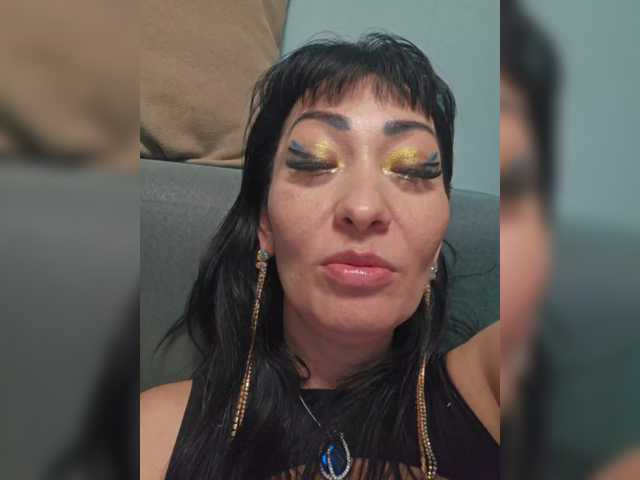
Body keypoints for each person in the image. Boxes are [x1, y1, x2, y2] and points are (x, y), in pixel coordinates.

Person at [141, 33, 499, 480]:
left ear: (438, 237)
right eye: (314, 162)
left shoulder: (492, 390)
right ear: (266, 225)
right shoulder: (153, 436)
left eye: (412, 169)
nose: (363, 208)